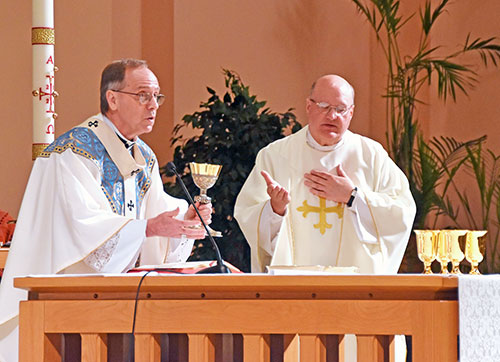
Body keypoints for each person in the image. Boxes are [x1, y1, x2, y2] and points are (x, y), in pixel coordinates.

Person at [0, 59, 211, 362]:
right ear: (112, 99)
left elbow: (158, 214)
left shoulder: (143, 156)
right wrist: (151, 228)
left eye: (157, 97)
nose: (153, 105)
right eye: (143, 95)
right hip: (65, 306)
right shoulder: (74, 152)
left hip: (121, 305)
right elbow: (82, 227)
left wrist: (186, 220)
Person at [234, 74, 416, 361]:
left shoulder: (371, 155)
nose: (332, 115)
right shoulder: (276, 155)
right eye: (323, 105)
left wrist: (353, 197)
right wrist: (275, 210)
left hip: (357, 295)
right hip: (295, 295)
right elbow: (248, 215)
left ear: (351, 113)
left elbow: (403, 212)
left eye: (341, 109)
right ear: (308, 107)